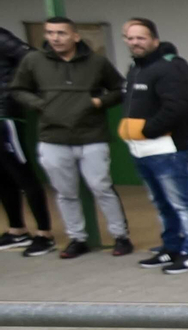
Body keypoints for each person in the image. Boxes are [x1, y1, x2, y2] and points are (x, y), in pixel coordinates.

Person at [8, 17, 132, 259]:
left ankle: (121, 236)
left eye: (61, 33)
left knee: (101, 187)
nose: (55, 38)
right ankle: (77, 238)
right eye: (50, 33)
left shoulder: (96, 62)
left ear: (75, 36)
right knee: (65, 192)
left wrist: (99, 101)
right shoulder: (33, 61)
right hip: (52, 138)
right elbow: (18, 90)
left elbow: (119, 88)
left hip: (92, 136)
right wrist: (40, 104)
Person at [119, 18, 188, 273]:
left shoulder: (168, 69)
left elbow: (177, 106)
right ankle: (171, 248)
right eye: (130, 38)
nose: (135, 42)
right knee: (161, 203)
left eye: (141, 38)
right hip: (140, 150)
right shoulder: (135, 70)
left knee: (183, 202)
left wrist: (148, 130)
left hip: (168, 150)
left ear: (154, 41)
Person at [0, 26, 54, 257]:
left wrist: (14, 89)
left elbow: (31, 56)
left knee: (22, 174)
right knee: (2, 176)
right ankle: (17, 230)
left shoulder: (2, 37)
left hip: (6, 114)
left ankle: (44, 234)